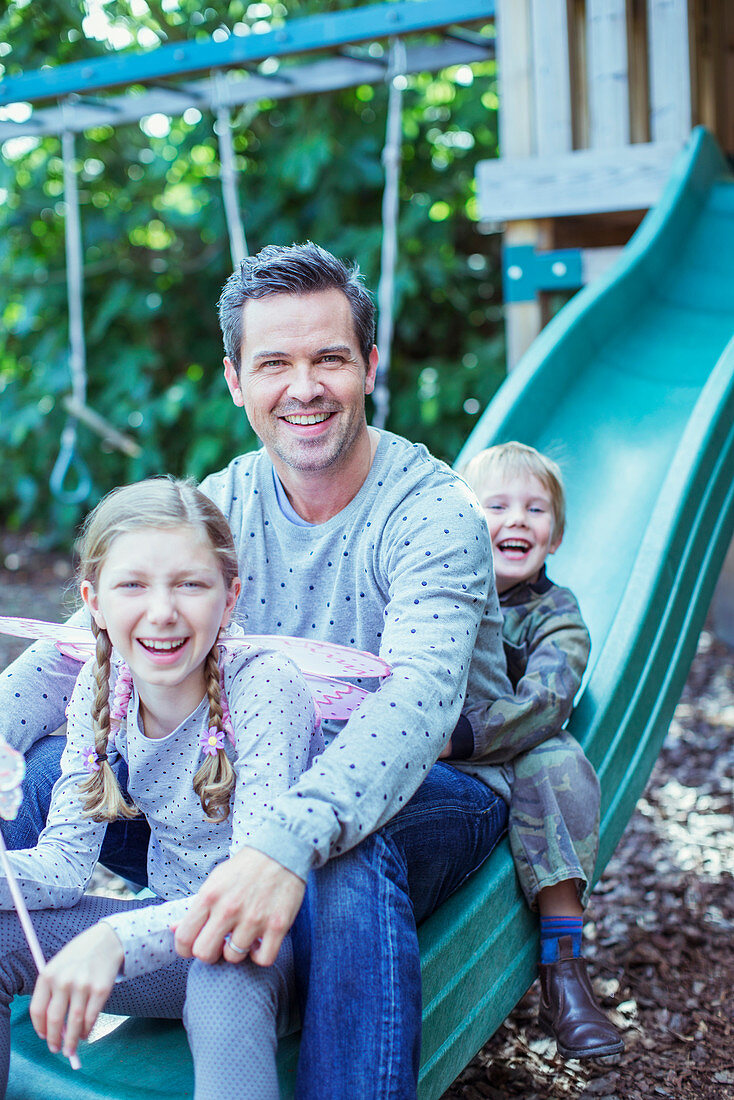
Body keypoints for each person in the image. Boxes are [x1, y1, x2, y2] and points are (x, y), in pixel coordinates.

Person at [0, 242, 513, 1097]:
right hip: (247, 783)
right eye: (274, 363)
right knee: (48, 770)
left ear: (369, 368)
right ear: (237, 380)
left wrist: (279, 848)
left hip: (430, 791)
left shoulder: (432, 513)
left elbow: (417, 712)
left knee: (345, 852)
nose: (303, 387)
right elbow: (83, 648)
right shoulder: (226, 499)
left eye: (329, 360)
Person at [0, 476, 320, 1099]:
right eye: (133, 585)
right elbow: (65, 866)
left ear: (228, 600)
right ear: (93, 600)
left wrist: (113, 940)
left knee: (222, 975)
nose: (163, 611)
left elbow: (249, 896)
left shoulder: (266, 686)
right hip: (176, 939)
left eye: (190, 584)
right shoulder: (103, 688)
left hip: (272, 942)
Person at [457, 442, 624, 1059]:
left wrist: (465, 739)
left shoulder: (558, 614)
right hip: (438, 759)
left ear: (554, 537)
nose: (517, 519)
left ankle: (564, 968)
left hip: (507, 752)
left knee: (557, 757)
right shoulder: (443, 592)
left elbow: (549, 699)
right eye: (496, 505)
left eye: (535, 509)